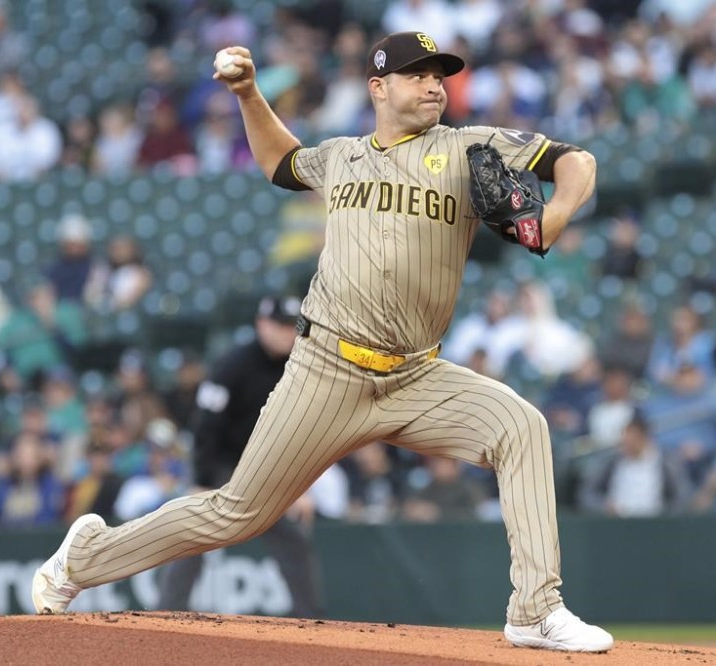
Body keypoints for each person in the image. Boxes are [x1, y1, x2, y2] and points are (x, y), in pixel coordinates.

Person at [33, 32, 612, 653]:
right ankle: (84, 559)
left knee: (521, 428)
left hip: (416, 376)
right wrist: (250, 94)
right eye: (417, 75)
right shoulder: (342, 156)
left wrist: (551, 217)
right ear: (378, 87)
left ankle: (535, 608)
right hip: (326, 370)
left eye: (439, 76)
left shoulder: (470, 147)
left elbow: (576, 160)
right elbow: (280, 163)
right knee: (237, 513)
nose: (433, 85)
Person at [155, 295, 325, 617]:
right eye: (280, 325)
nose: (287, 333)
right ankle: (167, 614)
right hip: (223, 466)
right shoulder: (234, 364)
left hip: (266, 470)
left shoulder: (302, 366)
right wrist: (202, 481)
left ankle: (310, 619)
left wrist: (300, 486)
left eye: (293, 326)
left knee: (292, 539)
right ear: (261, 324)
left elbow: (301, 432)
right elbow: (205, 425)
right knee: (195, 535)